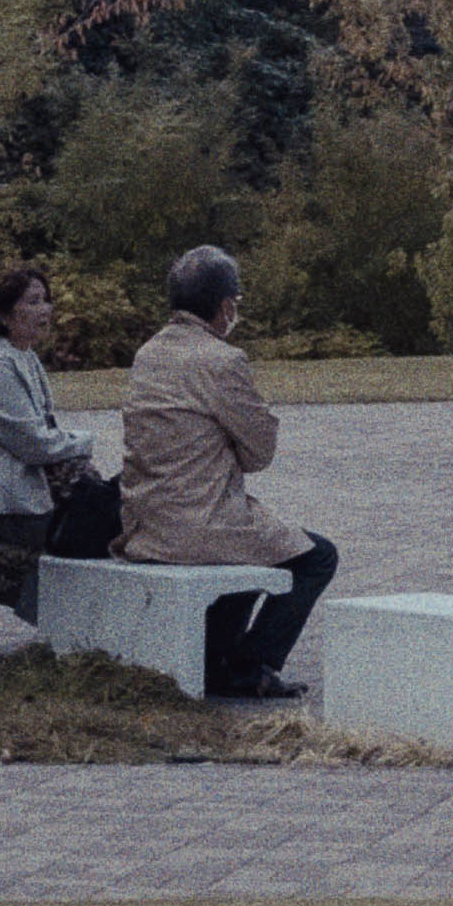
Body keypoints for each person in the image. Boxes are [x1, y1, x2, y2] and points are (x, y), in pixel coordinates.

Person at [115, 244, 338, 701]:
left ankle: (217, 660)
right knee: (316, 557)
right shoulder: (222, 360)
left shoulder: (148, 353)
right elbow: (259, 452)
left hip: (146, 519)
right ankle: (249, 666)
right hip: (200, 521)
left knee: (254, 545)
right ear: (226, 305)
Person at [0, 266, 119, 621]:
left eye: (46, 300)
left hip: (6, 489)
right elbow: (34, 445)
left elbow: (41, 435)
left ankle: (23, 604)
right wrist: (83, 443)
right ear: (3, 314)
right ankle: (50, 618)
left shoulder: (21, 355)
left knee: (97, 505)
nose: (45, 309)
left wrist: (76, 461)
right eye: (33, 301)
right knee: (82, 525)